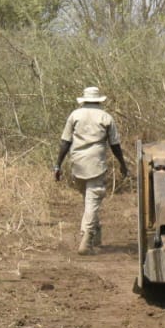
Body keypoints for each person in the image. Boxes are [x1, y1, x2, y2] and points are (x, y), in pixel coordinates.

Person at [53, 86, 130, 255]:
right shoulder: (106, 117)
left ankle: (95, 233)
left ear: (84, 100)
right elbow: (115, 144)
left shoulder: (75, 115)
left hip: (77, 163)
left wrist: (58, 164)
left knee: (88, 199)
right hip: (96, 163)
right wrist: (122, 164)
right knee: (92, 200)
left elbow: (65, 141)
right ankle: (86, 238)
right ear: (99, 100)